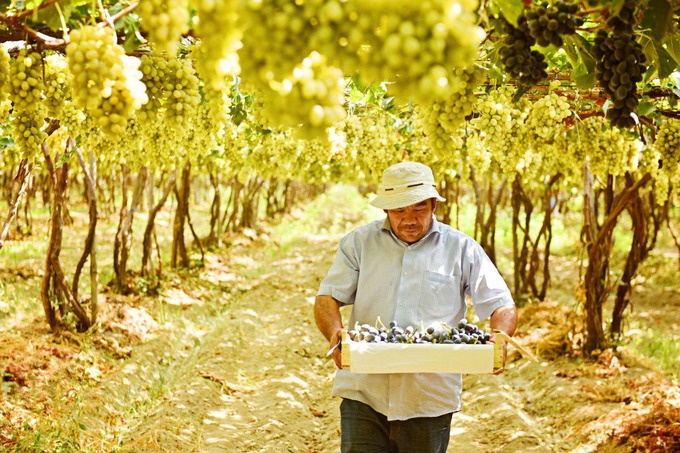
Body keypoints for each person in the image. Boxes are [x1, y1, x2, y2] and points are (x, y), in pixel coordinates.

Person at [314, 161, 518, 452]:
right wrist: (335, 334)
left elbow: (502, 304)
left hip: (429, 401)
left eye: (418, 208)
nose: (409, 219)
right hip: (365, 394)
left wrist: (500, 337)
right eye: (399, 210)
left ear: (434, 204)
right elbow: (327, 298)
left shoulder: (461, 248)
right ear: (385, 210)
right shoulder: (358, 244)